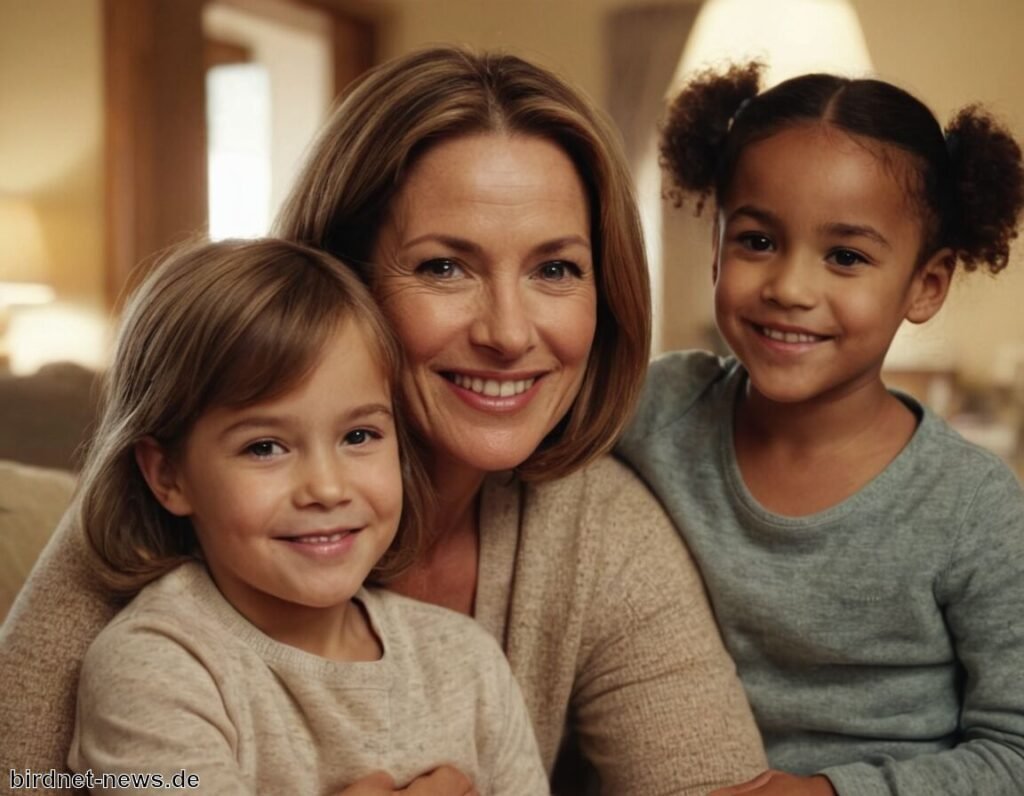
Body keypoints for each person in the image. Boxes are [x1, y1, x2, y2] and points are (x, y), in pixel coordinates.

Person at [0, 47, 767, 795]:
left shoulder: (596, 538)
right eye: (444, 267)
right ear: (342, 275)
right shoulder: (154, 521)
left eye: (555, 269)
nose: (507, 332)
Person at [617, 61, 1024, 796]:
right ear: (714, 246)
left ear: (926, 285)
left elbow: (1015, 753)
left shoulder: (975, 508)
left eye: (846, 257)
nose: (790, 289)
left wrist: (828, 793)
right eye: (757, 242)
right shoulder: (657, 410)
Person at [63, 238, 548, 794]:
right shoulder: (155, 669)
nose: (326, 487)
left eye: (359, 435)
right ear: (168, 475)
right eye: (265, 447)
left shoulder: (466, 663)